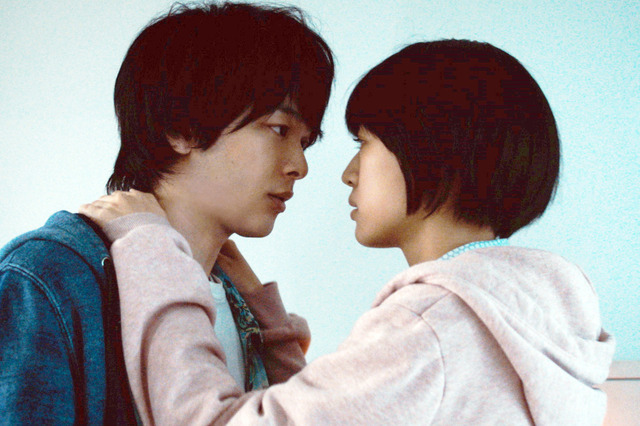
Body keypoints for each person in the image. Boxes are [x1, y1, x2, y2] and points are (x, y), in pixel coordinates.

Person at [81, 40, 615, 424]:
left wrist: (151, 247)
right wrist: (270, 329)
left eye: (365, 143)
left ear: (433, 149)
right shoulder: (529, 316)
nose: (347, 173)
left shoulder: (429, 326)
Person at [0, 2, 333, 424]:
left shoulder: (245, 310)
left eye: (305, 142)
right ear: (181, 129)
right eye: (279, 130)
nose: (300, 166)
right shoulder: (50, 277)